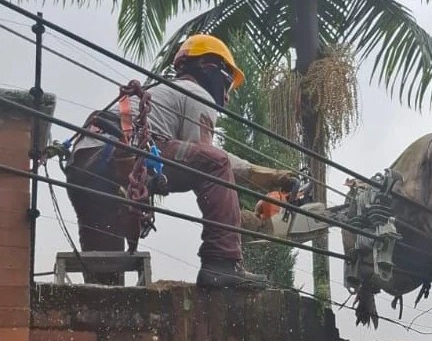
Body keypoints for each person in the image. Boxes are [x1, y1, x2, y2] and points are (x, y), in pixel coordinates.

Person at [65, 35, 297, 288]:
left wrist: (272, 178)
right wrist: (241, 218)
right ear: (212, 69)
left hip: (85, 163)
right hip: (116, 154)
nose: (227, 97)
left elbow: (199, 156)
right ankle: (222, 263)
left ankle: (100, 313)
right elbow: (212, 162)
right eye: (228, 86)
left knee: (105, 275)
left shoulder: (163, 91)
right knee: (215, 163)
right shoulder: (196, 93)